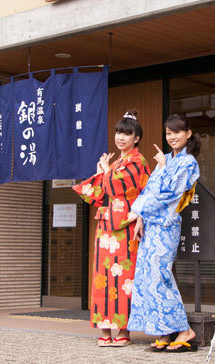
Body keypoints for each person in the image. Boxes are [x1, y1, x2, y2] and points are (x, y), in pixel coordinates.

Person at [72, 110, 150, 347]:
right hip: (106, 228)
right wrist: (102, 173)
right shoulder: (116, 162)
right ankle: (105, 329)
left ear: (136, 138)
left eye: (127, 133)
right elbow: (100, 191)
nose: (121, 137)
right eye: (118, 132)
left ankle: (124, 331)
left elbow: (117, 187)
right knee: (102, 278)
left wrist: (106, 172)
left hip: (126, 227)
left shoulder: (139, 161)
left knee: (125, 278)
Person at [128, 114, 200, 353]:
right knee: (147, 278)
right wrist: (140, 217)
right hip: (150, 225)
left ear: (188, 134)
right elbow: (149, 189)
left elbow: (171, 193)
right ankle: (164, 330)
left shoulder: (188, 162)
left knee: (161, 276)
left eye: (177, 132)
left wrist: (162, 167)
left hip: (167, 225)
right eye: (168, 133)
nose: (172, 137)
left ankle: (184, 330)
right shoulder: (167, 158)